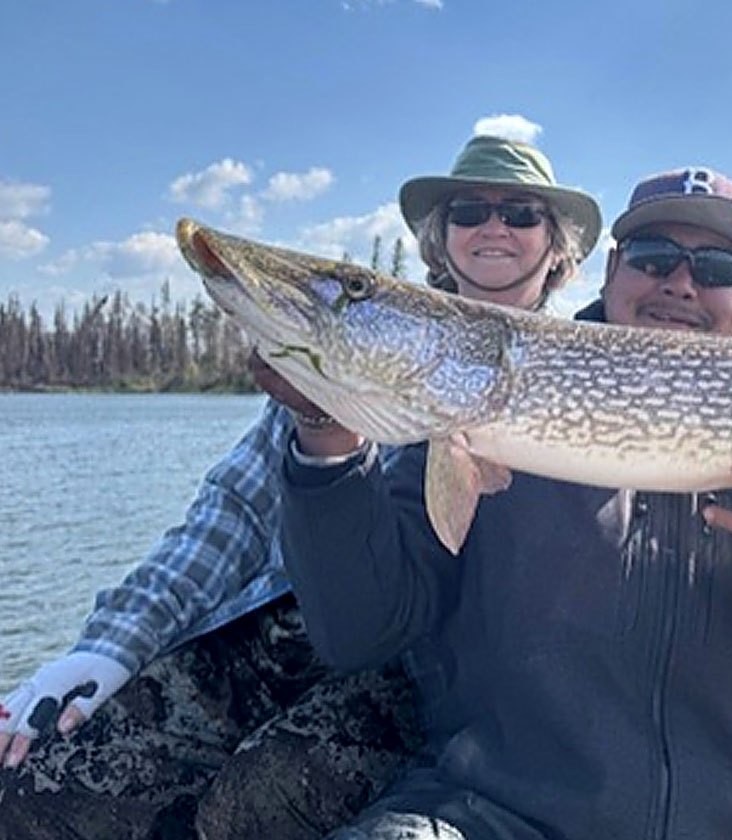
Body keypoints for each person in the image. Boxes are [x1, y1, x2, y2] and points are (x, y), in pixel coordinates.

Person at [278, 167, 732, 840]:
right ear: (613, 269)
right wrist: (326, 439)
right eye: (653, 258)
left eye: (716, 268)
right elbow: (361, 631)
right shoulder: (475, 411)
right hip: (503, 818)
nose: (681, 284)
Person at [0, 134, 602, 840]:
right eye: (469, 211)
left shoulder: (585, 383)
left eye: (521, 214)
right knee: (43, 773)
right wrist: (109, 645)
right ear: (442, 240)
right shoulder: (342, 355)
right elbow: (227, 519)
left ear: (557, 249)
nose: (494, 226)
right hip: (285, 644)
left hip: (428, 692)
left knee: (256, 799)